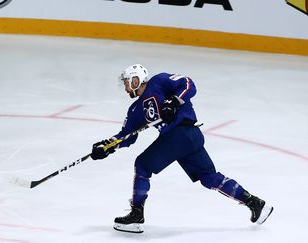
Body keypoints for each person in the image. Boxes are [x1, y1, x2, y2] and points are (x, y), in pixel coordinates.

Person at [90, 64, 273, 233]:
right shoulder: (135, 109)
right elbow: (127, 135)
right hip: (185, 140)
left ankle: (137, 214)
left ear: (135, 80)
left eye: (127, 82)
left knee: (143, 165)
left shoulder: (159, 81)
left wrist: (175, 101)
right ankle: (255, 203)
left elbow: (188, 83)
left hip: (182, 134)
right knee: (209, 177)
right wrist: (107, 146)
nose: (126, 87)